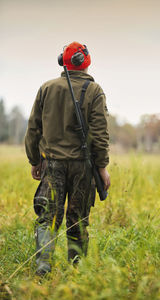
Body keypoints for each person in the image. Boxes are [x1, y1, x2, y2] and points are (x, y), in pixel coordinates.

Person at [25, 41, 110, 276]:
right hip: (83, 167)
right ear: (86, 62)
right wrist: (102, 167)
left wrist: (35, 160)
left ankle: (43, 266)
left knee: (47, 218)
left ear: (63, 60)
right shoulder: (95, 91)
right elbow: (100, 134)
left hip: (51, 165)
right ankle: (77, 272)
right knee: (78, 219)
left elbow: (33, 128)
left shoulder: (46, 88)